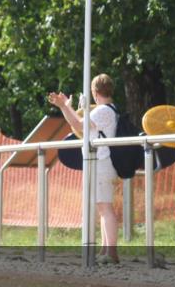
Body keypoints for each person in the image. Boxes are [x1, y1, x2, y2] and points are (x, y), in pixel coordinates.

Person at [49, 74, 121, 264]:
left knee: (105, 208)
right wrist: (65, 107)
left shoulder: (103, 110)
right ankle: (106, 250)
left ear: (94, 92)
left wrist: (65, 106)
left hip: (101, 162)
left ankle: (111, 252)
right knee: (103, 207)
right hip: (101, 163)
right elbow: (79, 125)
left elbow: (77, 124)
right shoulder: (107, 110)